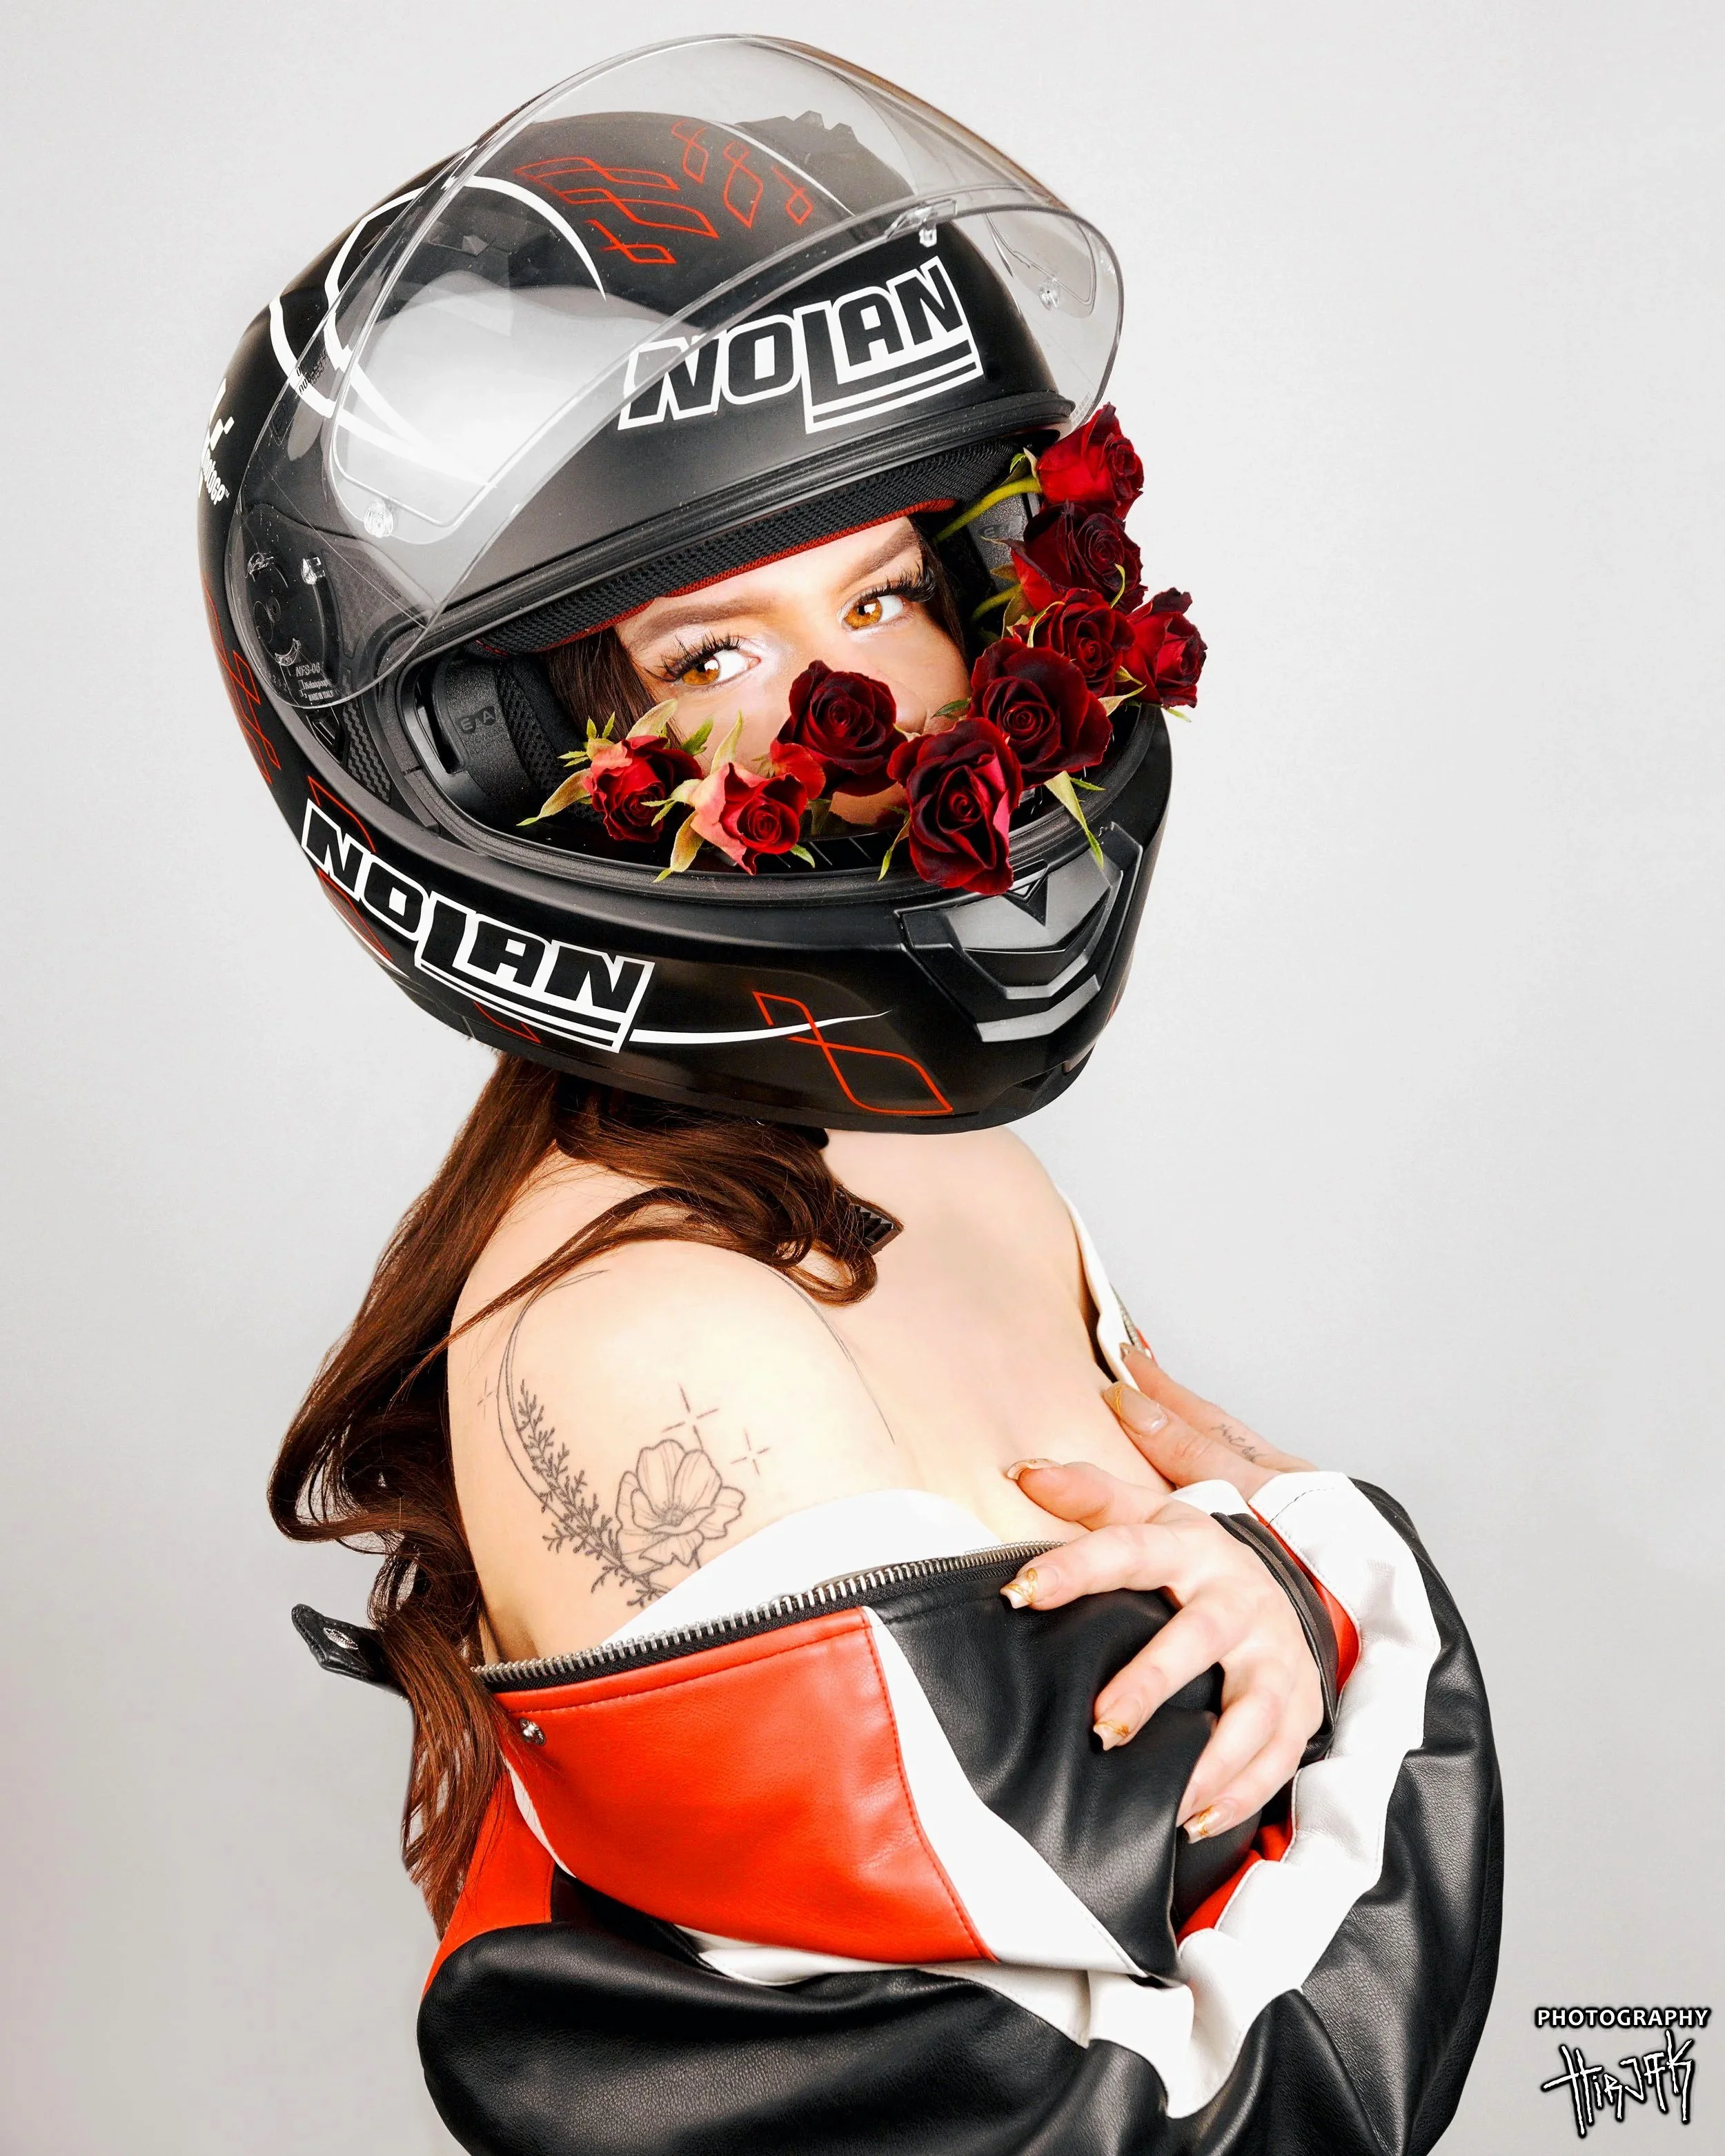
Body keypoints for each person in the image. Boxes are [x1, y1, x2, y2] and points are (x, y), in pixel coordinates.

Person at [203, 39, 1501, 2155]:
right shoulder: (646, 1344)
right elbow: (1176, 2120)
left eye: (888, 589)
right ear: (504, 763)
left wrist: (1275, 1605)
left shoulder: (941, 1169)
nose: (886, 704)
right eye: (714, 651)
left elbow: (1185, 1717)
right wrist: (1374, 1612)